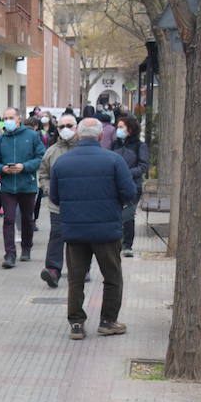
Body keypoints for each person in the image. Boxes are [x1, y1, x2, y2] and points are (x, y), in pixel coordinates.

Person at [48, 118, 137, 340]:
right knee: (112, 276)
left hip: (75, 231)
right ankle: (108, 321)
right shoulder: (114, 160)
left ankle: (76, 323)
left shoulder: (63, 162)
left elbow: (55, 197)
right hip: (107, 231)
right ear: (100, 136)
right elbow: (129, 192)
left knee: (76, 279)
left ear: (78, 135)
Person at [0, 108, 46, 268]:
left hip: (27, 184)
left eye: (11, 117)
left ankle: (27, 248)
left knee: (27, 219)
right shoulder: (0, 140)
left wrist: (25, 166)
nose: (8, 120)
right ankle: (10, 254)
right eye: (6, 118)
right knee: (8, 219)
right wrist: (2, 169)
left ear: (18, 119)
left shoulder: (32, 136)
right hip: (8, 185)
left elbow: (41, 157)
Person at [37, 115, 79, 287]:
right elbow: (43, 174)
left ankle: (80, 269)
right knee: (56, 236)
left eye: (69, 125)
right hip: (58, 204)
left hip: (81, 204)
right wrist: (49, 190)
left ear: (76, 127)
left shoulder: (84, 150)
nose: (65, 129)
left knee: (80, 238)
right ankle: (53, 270)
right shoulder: (51, 151)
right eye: (61, 126)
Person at [111, 115, 149, 257]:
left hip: (133, 185)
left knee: (128, 215)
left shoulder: (140, 146)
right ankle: (116, 243)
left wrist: (126, 173)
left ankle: (127, 245)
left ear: (130, 129)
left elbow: (143, 166)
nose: (118, 130)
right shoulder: (115, 145)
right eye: (117, 127)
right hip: (115, 185)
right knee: (116, 214)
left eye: (121, 127)